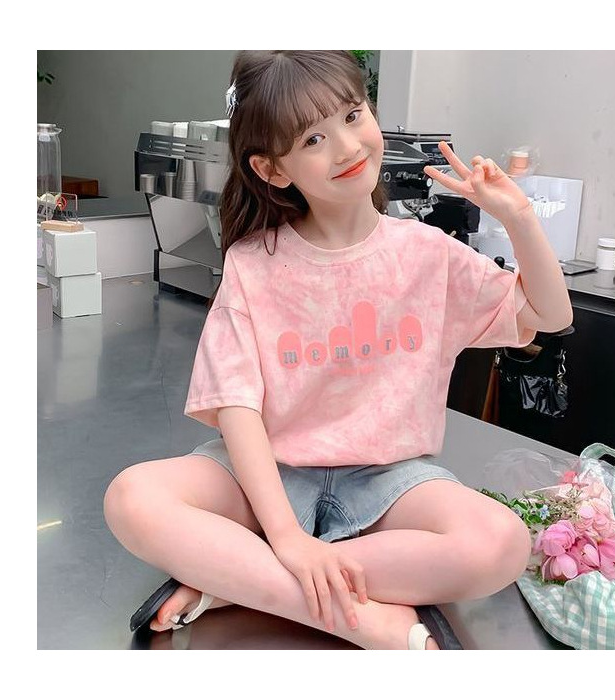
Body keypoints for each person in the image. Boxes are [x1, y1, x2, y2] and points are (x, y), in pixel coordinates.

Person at [104, 50, 573, 650]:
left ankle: (238, 581)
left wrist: (520, 216)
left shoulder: (428, 253)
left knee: (500, 543)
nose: (348, 147)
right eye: (313, 139)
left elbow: (548, 316)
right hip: (270, 475)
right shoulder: (253, 264)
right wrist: (285, 535)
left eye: (353, 116)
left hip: (389, 479)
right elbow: (237, 407)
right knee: (133, 498)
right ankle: (358, 616)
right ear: (273, 170)